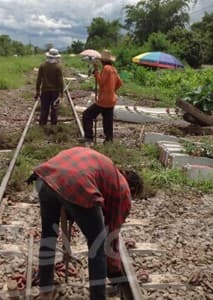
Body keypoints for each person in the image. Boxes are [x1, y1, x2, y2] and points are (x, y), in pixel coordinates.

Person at [27, 147, 144, 300]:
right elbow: (112, 234)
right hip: (77, 183)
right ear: (133, 188)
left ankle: (45, 291)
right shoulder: (124, 188)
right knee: (97, 245)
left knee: (48, 235)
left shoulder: (106, 168)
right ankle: (98, 297)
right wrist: (113, 270)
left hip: (46, 177)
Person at [82, 50, 122, 144]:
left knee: (87, 115)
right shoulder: (113, 69)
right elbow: (120, 83)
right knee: (108, 121)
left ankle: (89, 137)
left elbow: (101, 82)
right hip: (111, 100)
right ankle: (109, 140)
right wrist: (111, 91)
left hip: (103, 100)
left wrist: (96, 72)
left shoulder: (106, 69)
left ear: (102, 61)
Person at [35, 48, 64, 125]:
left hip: (45, 91)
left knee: (44, 109)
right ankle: (53, 125)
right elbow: (60, 81)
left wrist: (37, 90)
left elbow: (39, 79)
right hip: (55, 91)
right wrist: (61, 92)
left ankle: (42, 125)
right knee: (54, 109)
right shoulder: (58, 67)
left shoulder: (42, 65)